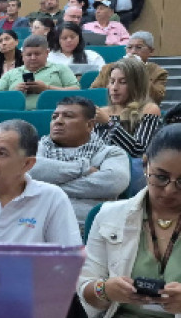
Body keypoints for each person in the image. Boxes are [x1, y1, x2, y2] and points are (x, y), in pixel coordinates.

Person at [71, 126, 181, 318]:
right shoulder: (110, 215)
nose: (170, 190)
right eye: (160, 177)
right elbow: (85, 287)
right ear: (145, 164)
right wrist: (106, 290)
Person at [30, 96, 131, 229]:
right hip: (38, 225)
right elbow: (31, 170)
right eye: (54, 117)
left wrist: (43, 186)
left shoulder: (111, 153)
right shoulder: (37, 148)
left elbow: (114, 183)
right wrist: (83, 168)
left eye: (68, 116)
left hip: (91, 228)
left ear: (89, 125)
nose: (58, 121)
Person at [94, 56, 163, 194]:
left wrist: (109, 123)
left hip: (130, 171)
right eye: (112, 82)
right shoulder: (102, 111)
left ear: (136, 85)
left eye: (123, 82)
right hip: (98, 168)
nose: (114, 88)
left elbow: (140, 151)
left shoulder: (149, 109)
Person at [0, 34, 78, 110]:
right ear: (22, 55)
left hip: (52, 115)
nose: (33, 58)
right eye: (29, 55)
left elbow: (76, 91)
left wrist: (47, 89)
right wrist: (14, 94)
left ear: (47, 53)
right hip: (17, 117)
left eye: (37, 54)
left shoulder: (60, 69)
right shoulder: (11, 74)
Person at [90, 31, 168, 105]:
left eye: (139, 47)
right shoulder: (108, 68)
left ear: (151, 51)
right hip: (111, 108)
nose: (133, 51)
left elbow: (156, 98)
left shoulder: (158, 72)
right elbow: (93, 92)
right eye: (129, 47)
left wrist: (140, 70)